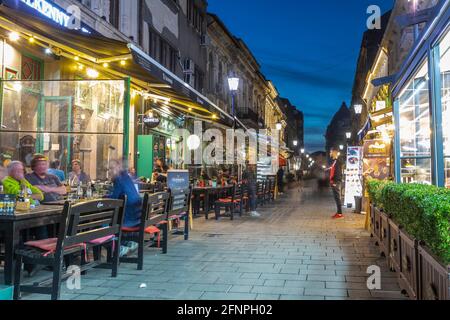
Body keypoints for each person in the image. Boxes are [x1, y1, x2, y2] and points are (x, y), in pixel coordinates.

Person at [108, 159, 141, 256]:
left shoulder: (118, 179)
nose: (110, 171)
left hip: (128, 221)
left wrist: (104, 197)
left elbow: (114, 199)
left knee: (101, 225)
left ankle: (119, 248)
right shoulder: (126, 177)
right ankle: (125, 243)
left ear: (118, 168)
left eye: (111, 169)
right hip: (136, 219)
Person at [327, 147, 344, 219]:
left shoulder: (337, 161)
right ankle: (338, 212)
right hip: (335, 181)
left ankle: (340, 214)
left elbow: (338, 172)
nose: (330, 153)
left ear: (334, 152)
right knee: (336, 197)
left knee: (337, 198)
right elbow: (334, 170)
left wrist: (334, 182)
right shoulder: (335, 161)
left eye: (331, 152)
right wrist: (329, 169)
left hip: (336, 182)